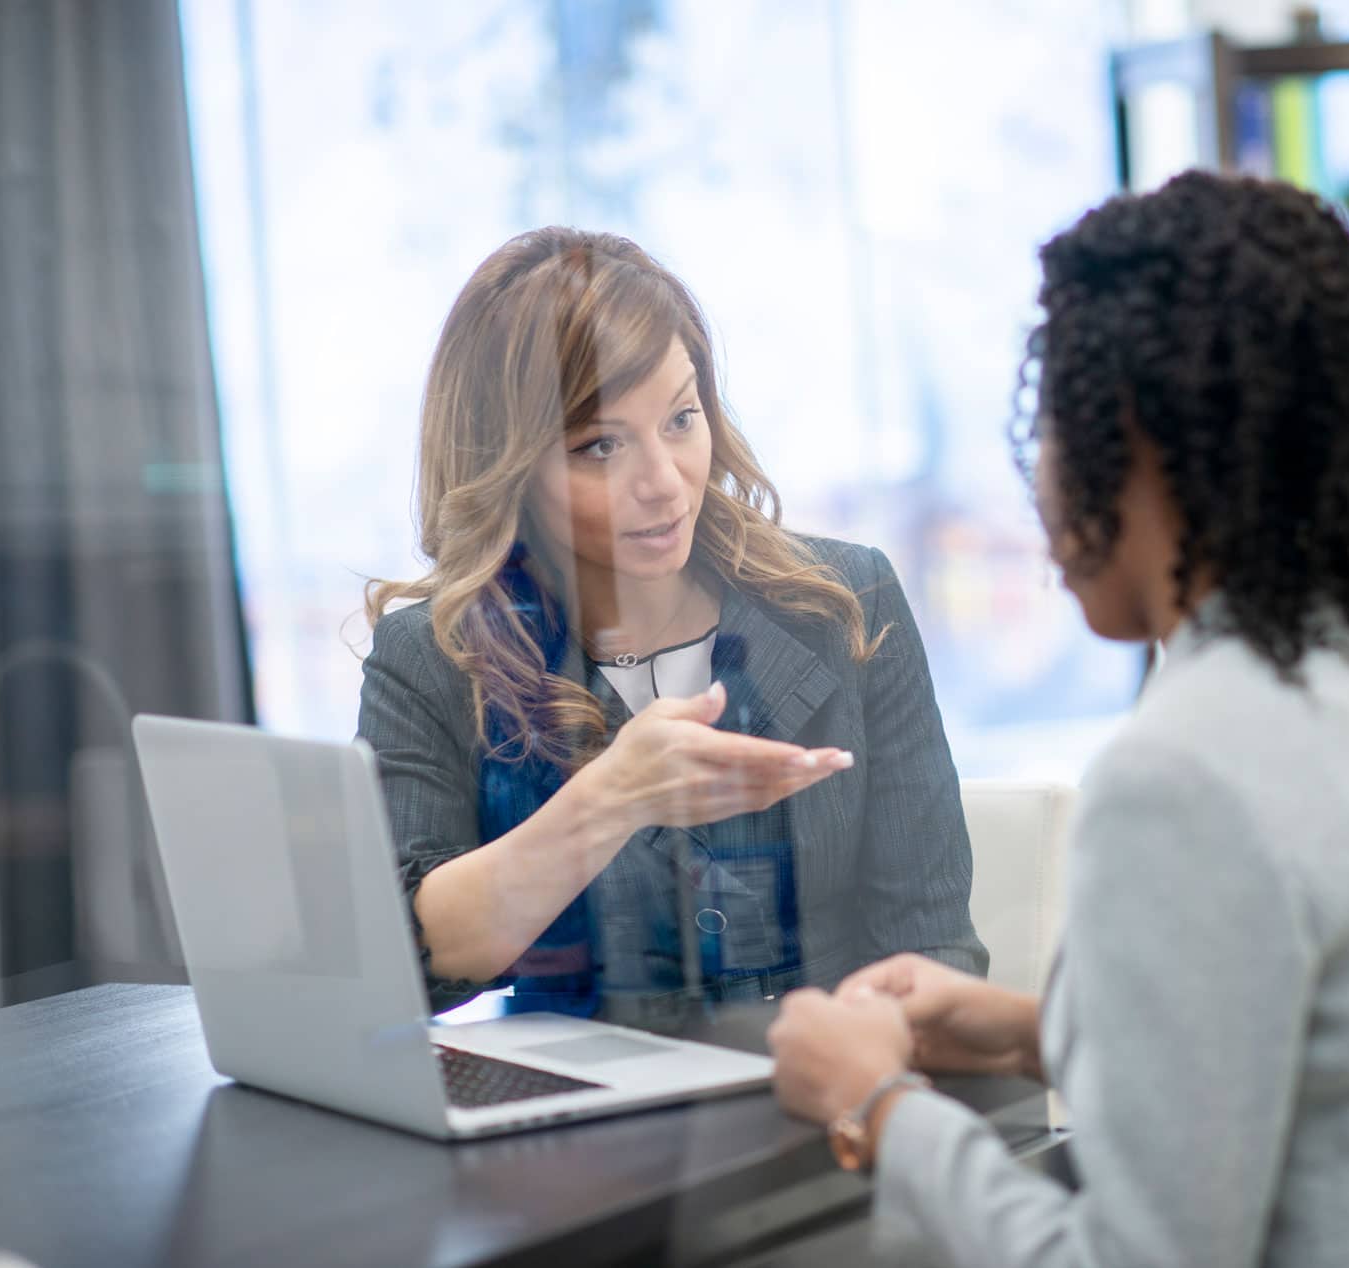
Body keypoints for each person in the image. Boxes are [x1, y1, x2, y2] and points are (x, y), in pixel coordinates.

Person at [766, 171, 1349, 1267]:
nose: (1041, 484)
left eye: (1049, 428)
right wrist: (1032, 1026)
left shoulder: (1183, 770)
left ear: (1131, 438)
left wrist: (875, 1100)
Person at [358, 227, 986, 1017]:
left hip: (828, 1094)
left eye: (682, 419)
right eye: (599, 445)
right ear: (507, 462)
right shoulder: (434, 658)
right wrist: (612, 797)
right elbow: (403, 958)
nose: (663, 482)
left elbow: (931, 943)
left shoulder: (845, 600)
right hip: (583, 1117)